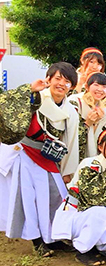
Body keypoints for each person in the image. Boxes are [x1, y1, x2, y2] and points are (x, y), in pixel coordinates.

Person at [0, 64, 80, 256]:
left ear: (72, 86)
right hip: (26, 152)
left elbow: (72, 141)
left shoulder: (71, 111)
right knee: (30, 199)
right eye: (58, 78)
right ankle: (37, 241)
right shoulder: (36, 99)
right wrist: (29, 89)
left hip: (49, 156)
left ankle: (53, 237)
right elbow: (5, 102)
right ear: (49, 79)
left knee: (57, 196)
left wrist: (68, 170)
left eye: (67, 81)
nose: (61, 84)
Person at [51, 130, 106, 266]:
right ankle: (83, 250)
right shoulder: (90, 163)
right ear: (100, 147)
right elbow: (93, 197)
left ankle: (96, 246)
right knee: (100, 212)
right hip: (81, 213)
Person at [69, 72, 106, 160]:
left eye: (104, 87)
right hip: (75, 153)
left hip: (96, 155)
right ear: (86, 87)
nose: (100, 89)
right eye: (96, 85)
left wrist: (100, 124)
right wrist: (87, 124)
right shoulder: (75, 102)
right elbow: (70, 133)